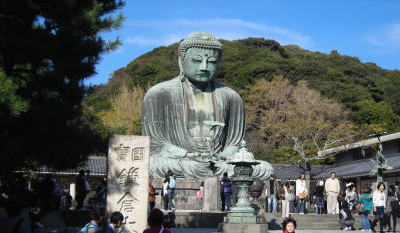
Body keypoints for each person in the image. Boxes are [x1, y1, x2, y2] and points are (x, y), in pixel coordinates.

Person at [141, 31, 273, 179]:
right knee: (152, 164)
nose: (204, 67)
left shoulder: (231, 97)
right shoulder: (159, 94)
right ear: (181, 61)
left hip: (219, 162)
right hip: (182, 161)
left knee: (265, 169)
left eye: (211, 62)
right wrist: (187, 155)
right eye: (197, 61)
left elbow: (235, 144)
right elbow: (155, 144)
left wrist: (223, 156)